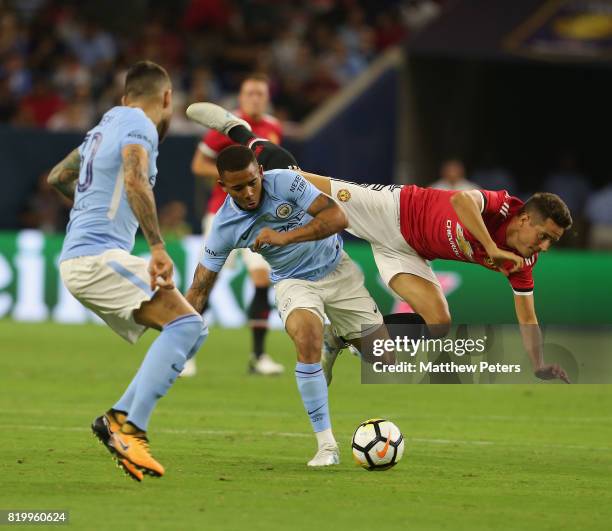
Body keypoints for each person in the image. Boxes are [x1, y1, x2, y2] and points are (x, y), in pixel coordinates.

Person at [186, 102, 571, 384]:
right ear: (524, 218)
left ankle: (341, 334)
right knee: (290, 175)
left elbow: (528, 316)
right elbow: (460, 199)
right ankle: (240, 131)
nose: (544, 246)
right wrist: (492, 246)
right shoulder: (503, 205)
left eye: (551, 242)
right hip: (393, 209)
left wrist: (537, 363)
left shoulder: (523, 264)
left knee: (439, 323)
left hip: (409, 253)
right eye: (544, 236)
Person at [49, 61, 208, 482]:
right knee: (188, 327)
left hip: (85, 256)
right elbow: (136, 180)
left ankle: (117, 421)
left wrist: (92, 210)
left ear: (125, 96)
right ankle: (129, 428)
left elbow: (59, 177)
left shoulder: (103, 127)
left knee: (190, 329)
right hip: (97, 257)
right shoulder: (139, 125)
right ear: (168, 98)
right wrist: (157, 246)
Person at [184, 145, 386, 466]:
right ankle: (326, 446)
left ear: (260, 172)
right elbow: (200, 287)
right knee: (306, 339)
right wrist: (175, 331)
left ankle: (336, 338)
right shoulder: (224, 226)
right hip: (294, 281)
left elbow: (337, 216)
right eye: (238, 188)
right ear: (223, 187)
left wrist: (284, 238)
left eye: (253, 182)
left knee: (384, 359)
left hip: (338, 269)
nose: (249, 192)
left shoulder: (285, 183)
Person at [187, 73, 284, 377]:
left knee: (261, 279)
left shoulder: (272, 127)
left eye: (260, 93)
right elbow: (198, 164)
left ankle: (258, 356)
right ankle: (184, 355)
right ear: (241, 98)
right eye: (250, 93)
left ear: (267, 98)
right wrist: (232, 182)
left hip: (259, 216)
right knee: (206, 282)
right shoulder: (227, 127)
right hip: (222, 214)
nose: (255, 98)